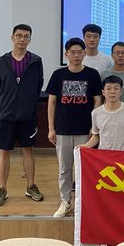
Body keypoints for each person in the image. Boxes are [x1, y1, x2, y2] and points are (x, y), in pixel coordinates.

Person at [76, 75, 124, 246]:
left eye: (116, 88)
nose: (112, 92)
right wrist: (85, 147)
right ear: (103, 92)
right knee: (107, 204)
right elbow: (96, 136)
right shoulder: (96, 113)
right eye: (108, 89)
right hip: (104, 166)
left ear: (121, 91)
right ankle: (106, 241)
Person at [47, 37, 102, 218]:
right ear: (66, 54)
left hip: (85, 130)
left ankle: (82, 202)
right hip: (62, 129)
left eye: (79, 52)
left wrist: (94, 127)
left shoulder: (93, 74)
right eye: (72, 52)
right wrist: (51, 128)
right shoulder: (58, 75)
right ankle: (65, 201)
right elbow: (52, 102)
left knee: (83, 169)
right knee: (64, 168)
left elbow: (97, 100)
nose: (76, 55)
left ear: (84, 53)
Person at [0, 24, 44, 207]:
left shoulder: (36, 61)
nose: (22, 39)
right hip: (6, 116)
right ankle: (2, 189)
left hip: (27, 116)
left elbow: (38, 85)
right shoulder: (2, 61)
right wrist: (7, 104)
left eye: (26, 36)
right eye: (19, 35)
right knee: (4, 153)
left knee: (28, 151)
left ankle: (31, 186)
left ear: (30, 39)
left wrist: (26, 103)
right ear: (12, 37)